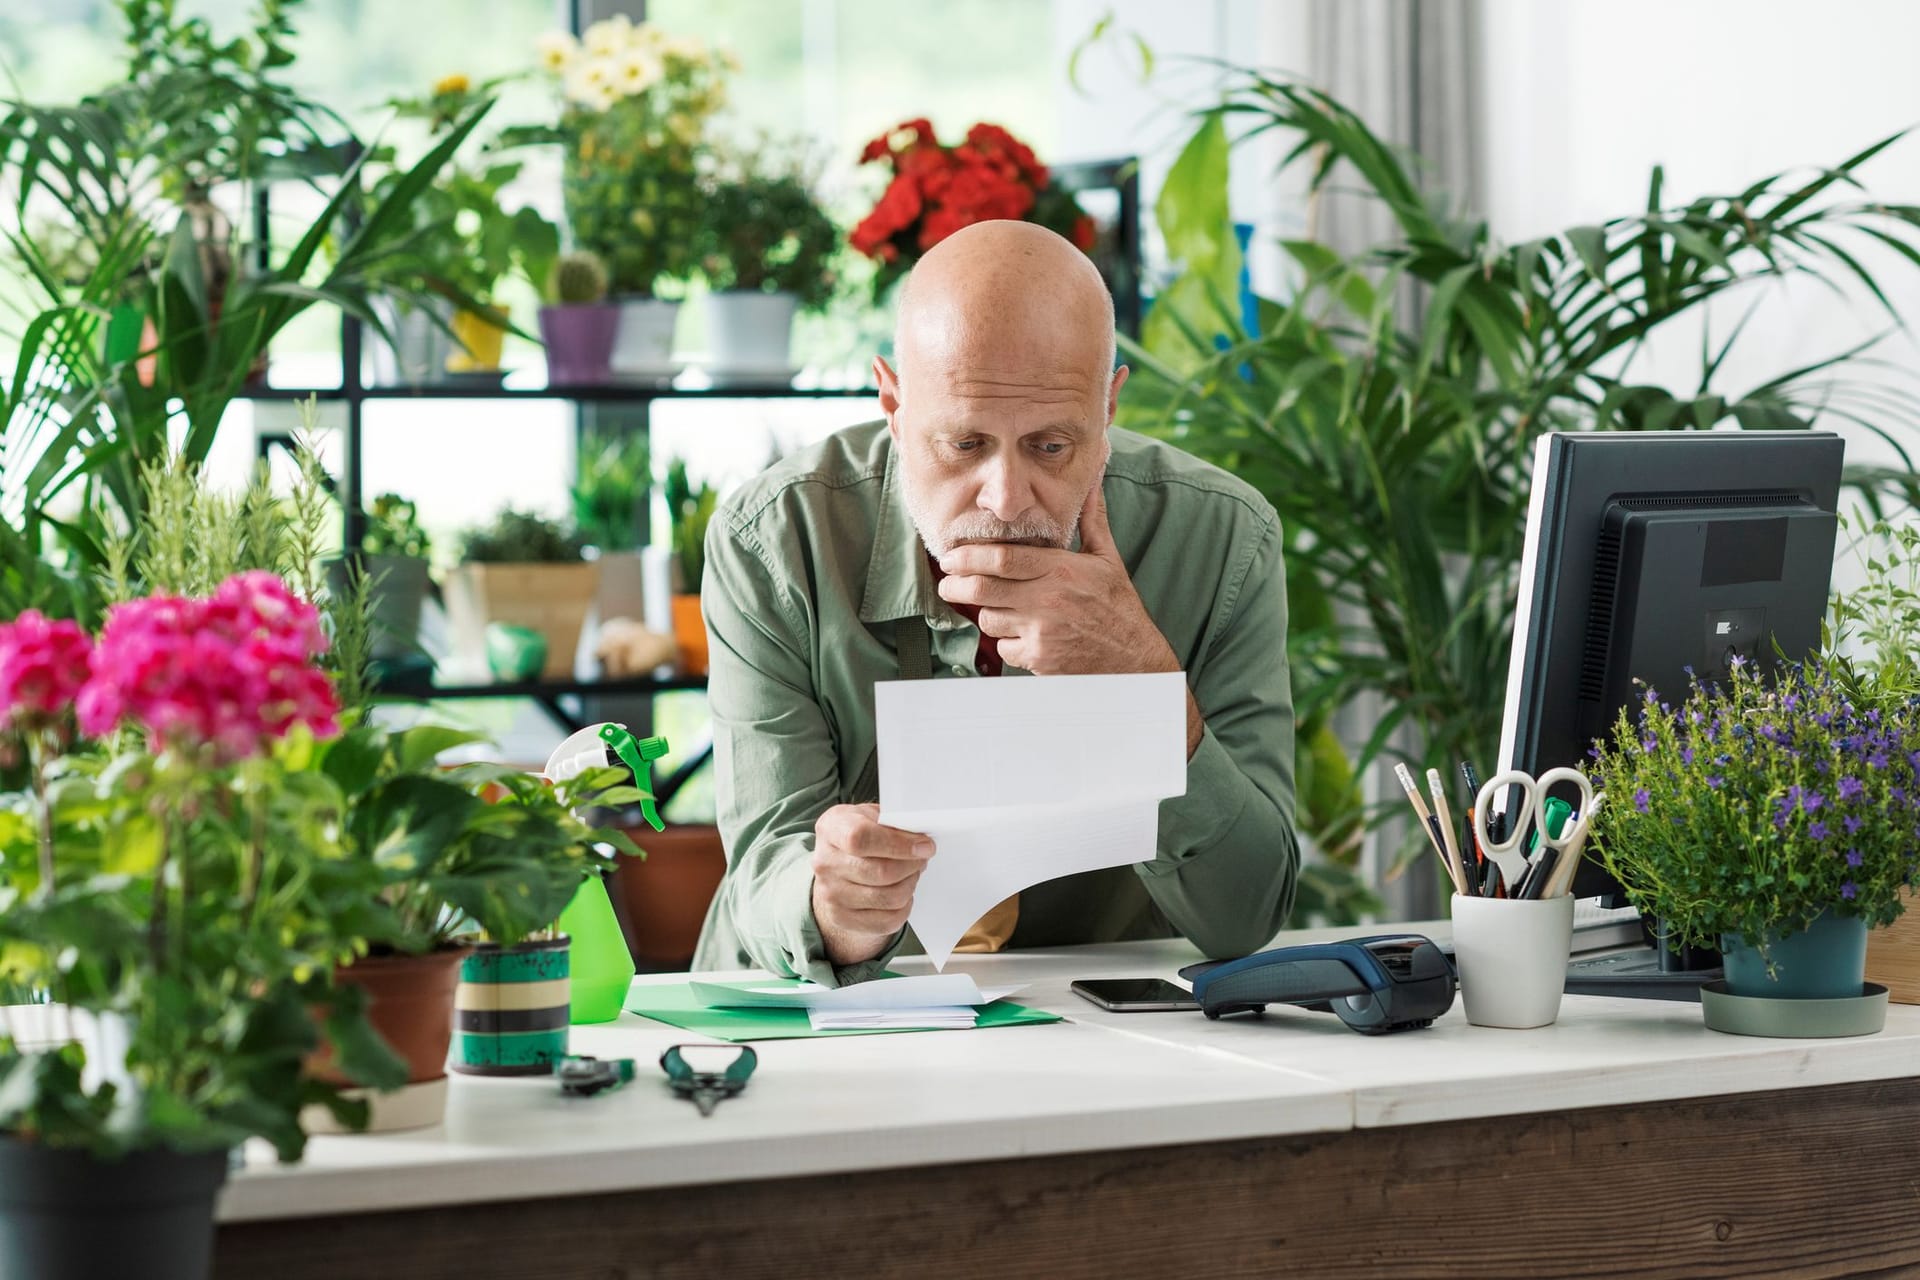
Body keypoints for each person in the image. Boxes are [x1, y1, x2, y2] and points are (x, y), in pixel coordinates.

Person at [691, 219, 1298, 985]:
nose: (1008, 500)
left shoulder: (1223, 539)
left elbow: (1248, 915)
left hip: (1106, 1033)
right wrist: (830, 906)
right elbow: (763, 871)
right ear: (893, 402)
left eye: (1051, 446)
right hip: (826, 1020)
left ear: (1108, 407)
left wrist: (1145, 688)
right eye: (965, 445)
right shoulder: (777, 540)